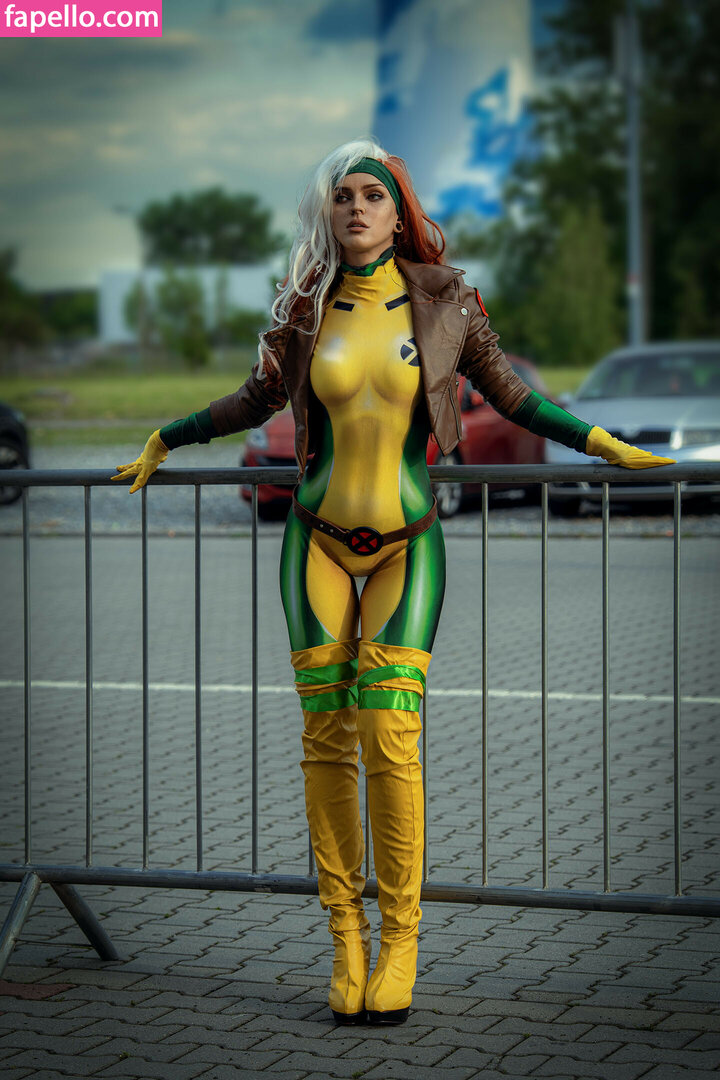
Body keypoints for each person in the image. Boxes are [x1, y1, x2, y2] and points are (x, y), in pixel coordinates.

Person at [112, 138, 674, 1025]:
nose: (356, 207)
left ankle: (402, 940)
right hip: (316, 542)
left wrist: (600, 443)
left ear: (398, 209)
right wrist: (166, 437)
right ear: (328, 212)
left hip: (409, 543)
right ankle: (346, 936)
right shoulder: (307, 303)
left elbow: (513, 395)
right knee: (326, 738)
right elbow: (256, 400)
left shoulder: (446, 298)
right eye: (342, 196)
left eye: (372, 195)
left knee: (390, 733)